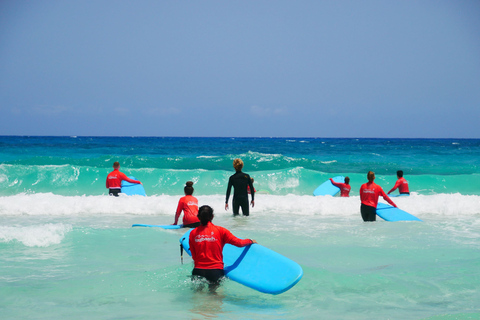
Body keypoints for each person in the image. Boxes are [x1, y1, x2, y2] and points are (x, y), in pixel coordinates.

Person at [189, 205, 257, 291]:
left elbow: (194, 256)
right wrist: (250, 241)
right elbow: (239, 243)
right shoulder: (221, 231)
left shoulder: (193, 233)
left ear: (198, 217)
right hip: (215, 271)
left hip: (198, 270)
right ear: (212, 216)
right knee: (214, 297)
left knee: (197, 296)